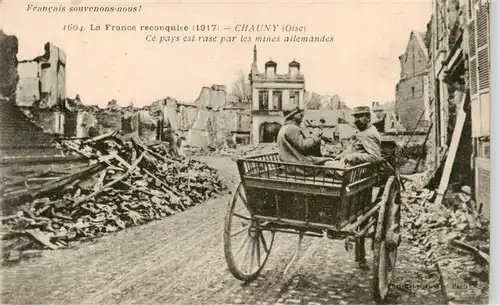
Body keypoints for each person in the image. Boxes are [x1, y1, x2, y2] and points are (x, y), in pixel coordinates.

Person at [276, 105, 332, 175]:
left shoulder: (285, 128)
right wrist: (315, 134)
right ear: (293, 116)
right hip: (299, 167)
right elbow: (304, 146)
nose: (302, 114)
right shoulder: (291, 129)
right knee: (332, 164)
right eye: (299, 112)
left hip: (291, 165)